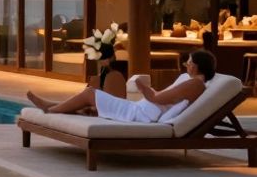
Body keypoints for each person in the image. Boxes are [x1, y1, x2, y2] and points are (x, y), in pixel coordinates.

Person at [27, 50, 215, 123]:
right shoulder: (191, 81)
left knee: (91, 93)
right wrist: (149, 92)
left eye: (189, 62)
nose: (186, 65)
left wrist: (142, 87)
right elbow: (164, 99)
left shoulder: (194, 84)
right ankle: (52, 105)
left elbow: (156, 98)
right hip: (142, 109)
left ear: (197, 66)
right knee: (91, 105)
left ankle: (51, 110)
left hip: (139, 114)